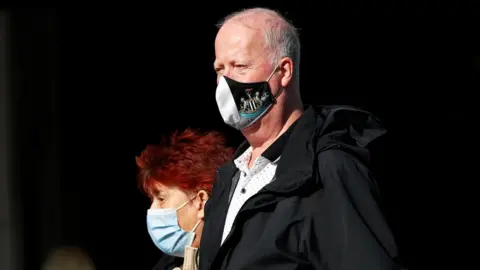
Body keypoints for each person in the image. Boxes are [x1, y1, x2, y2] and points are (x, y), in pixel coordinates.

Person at [200, 7, 404, 270]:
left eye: (240, 66)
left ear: (283, 72)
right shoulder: (229, 176)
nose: (225, 83)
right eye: (219, 69)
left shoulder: (327, 170)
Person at [135, 128, 234, 270]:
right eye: (152, 200)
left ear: (201, 202)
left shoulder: (241, 259)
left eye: (161, 198)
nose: (152, 210)